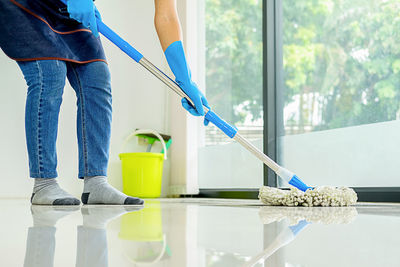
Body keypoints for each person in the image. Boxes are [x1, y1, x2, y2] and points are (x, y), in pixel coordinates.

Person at [0, 0, 209, 205]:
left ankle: (96, 182)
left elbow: (166, 15)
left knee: (96, 78)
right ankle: (44, 183)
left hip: (67, 8)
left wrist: (185, 78)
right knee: (49, 74)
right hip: (25, 5)